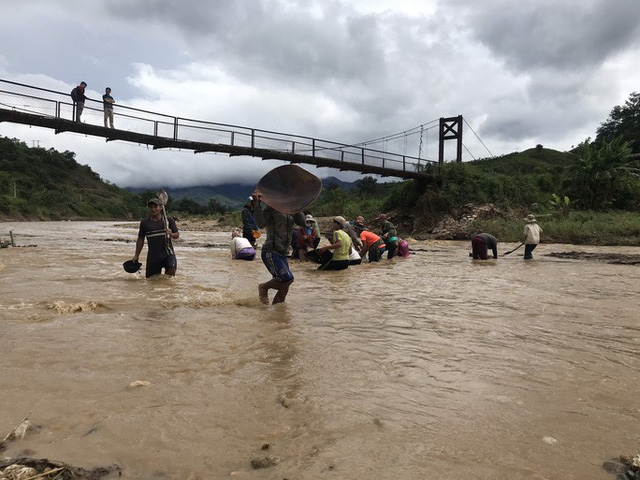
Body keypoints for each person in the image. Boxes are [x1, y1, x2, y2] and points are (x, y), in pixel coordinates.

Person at [253, 191, 305, 305]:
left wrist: (297, 207)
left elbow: (302, 222)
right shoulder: (271, 207)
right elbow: (261, 224)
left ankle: (277, 315)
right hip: (271, 251)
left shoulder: (291, 210)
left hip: (284, 252)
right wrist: (256, 203)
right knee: (287, 279)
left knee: (284, 287)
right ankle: (263, 287)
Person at [131, 197, 179, 278]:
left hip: (168, 254)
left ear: (160, 207)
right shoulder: (145, 223)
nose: (153, 209)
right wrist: (136, 255)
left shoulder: (168, 220)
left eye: (155, 207)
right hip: (153, 257)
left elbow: (177, 235)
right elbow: (141, 239)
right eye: (151, 207)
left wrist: (171, 234)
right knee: (151, 281)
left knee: (171, 272)